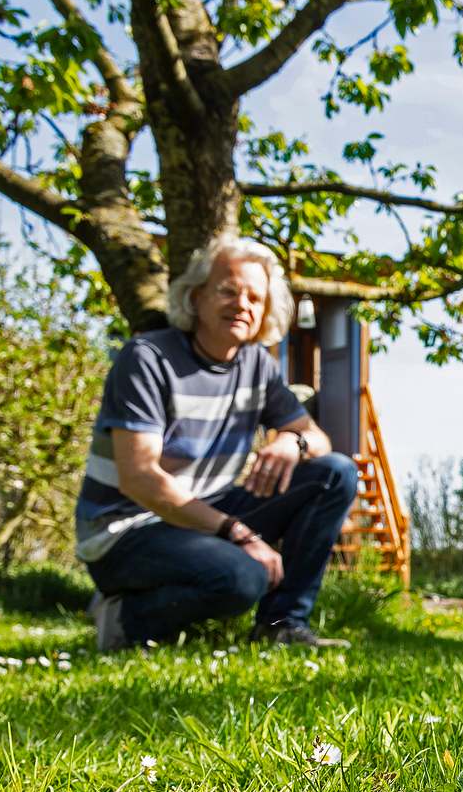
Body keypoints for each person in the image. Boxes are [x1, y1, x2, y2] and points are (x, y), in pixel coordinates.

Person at [76, 236, 357, 650]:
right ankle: (122, 620)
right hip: (125, 529)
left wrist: (290, 442)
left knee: (336, 473)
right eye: (228, 290)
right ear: (196, 297)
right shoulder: (147, 359)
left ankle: (282, 625)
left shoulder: (257, 365)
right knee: (243, 577)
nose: (243, 304)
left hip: (206, 510)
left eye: (255, 298)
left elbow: (317, 439)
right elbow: (139, 479)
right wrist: (239, 534)